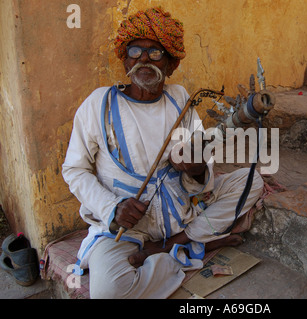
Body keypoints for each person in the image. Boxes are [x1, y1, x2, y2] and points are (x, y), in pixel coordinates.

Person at [62, 7, 263, 299]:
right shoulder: (99, 105)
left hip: (181, 215)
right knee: (108, 292)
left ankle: (173, 245)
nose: (144, 59)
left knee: (251, 181)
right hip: (127, 230)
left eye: (155, 53)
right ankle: (194, 247)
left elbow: (200, 160)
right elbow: (74, 170)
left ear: (170, 65)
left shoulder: (180, 98)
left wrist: (196, 169)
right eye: (136, 51)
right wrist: (112, 208)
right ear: (124, 59)